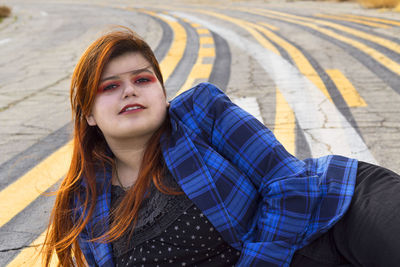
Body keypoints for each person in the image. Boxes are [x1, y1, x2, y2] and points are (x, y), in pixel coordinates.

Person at [42, 27, 400, 267]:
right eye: (110, 86)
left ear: (163, 94)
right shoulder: (84, 206)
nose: (130, 90)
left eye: (142, 79)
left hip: (340, 211)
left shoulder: (199, 111)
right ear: (88, 114)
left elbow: (289, 183)